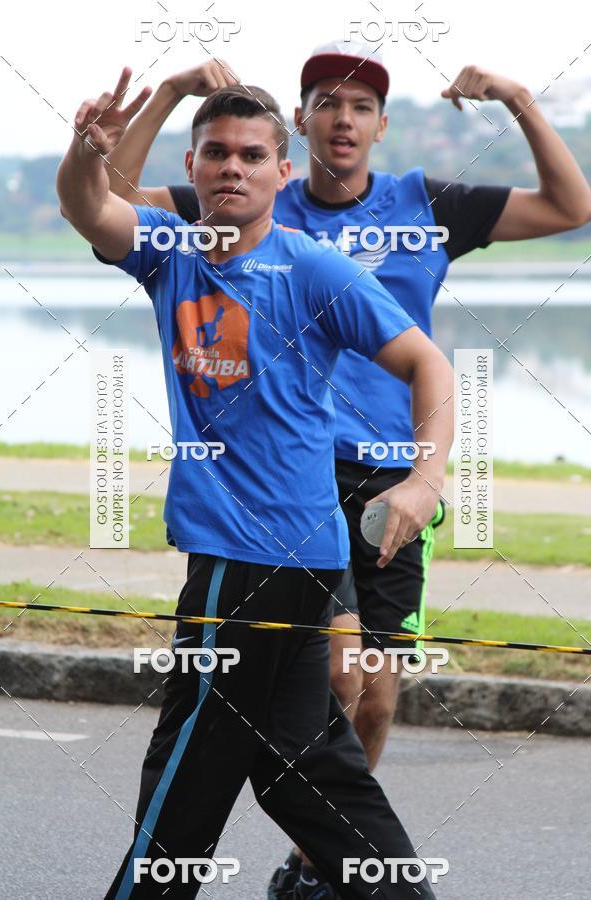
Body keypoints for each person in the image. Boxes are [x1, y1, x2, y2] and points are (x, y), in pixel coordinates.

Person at [103, 43, 591, 897]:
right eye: (326, 101)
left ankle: (322, 871)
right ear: (300, 123)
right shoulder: (247, 200)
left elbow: (569, 206)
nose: (344, 116)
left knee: (367, 692)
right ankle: (347, 873)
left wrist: (517, 98)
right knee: (317, 691)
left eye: (361, 105)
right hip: (295, 481)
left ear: (378, 126)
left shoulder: (422, 206)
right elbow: (109, 202)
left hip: (386, 479)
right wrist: (168, 95)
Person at [57, 73, 454, 899]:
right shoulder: (170, 253)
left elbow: (429, 364)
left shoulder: (312, 270)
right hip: (279, 565)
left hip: (259, 566)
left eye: (251, 154)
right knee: (305, 770)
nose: (231, 168)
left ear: (281, 169)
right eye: (216, 154)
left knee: (184, 791)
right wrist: (86, 152)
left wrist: (425, 479)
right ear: (194, 167)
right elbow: (89, 209)